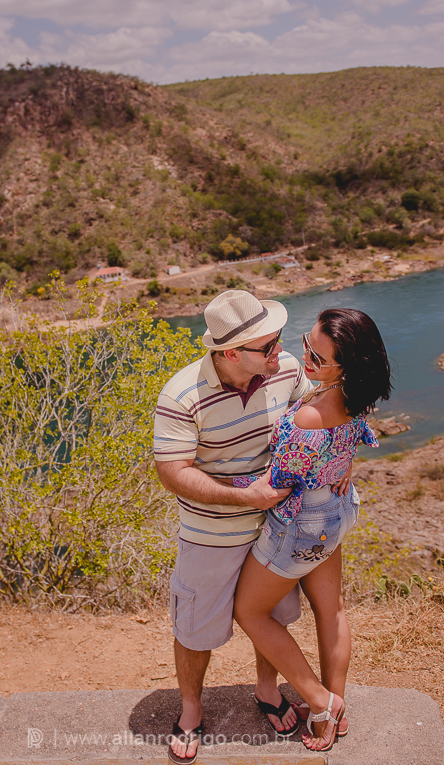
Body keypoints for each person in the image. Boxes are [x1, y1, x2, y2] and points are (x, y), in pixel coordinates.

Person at [153, 289, 312, 765]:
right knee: (195, 628)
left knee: (276, 617)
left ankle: (267, 691)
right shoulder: (181, 395)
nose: (278, 352)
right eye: (267, 347)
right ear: (228, 354)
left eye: (278, 339)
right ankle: (190, 710)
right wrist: (244, 496)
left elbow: (314, 418)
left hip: (276, 526)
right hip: (210, 534)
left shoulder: (285, 370)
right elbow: (173, 472)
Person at [232, 308, 391, 753]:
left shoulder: (309, 418)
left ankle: (321, 703)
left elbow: (278, 485)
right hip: (337, 508)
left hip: (302, 523)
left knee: (250, 612)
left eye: (317, 359)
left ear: (345, 366)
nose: (306, 360)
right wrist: (342, 462)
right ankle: (337, 707)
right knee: (332, 609)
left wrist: (226, 482)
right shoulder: (355, 396)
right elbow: (353, 435)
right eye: (307, 345)